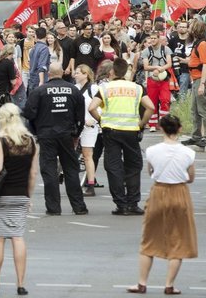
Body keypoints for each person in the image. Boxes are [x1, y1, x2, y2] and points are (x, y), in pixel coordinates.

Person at [126, 114, 198, 295]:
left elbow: (150, 170)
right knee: (179, 240)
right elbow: (190, 177)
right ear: (180, 129)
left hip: (159, 191)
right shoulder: (188, 153)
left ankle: (142, 283)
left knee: (149, 238)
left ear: (161, 128)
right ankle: (169, 285)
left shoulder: (152, 150)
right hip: (179, 192)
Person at [0, 103, 37, 296]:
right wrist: (28, 196)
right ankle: (20, 284)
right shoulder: (30, 141)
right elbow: (33, 173)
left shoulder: (0, 141)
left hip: (1, 194)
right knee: (17, 236)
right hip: (20, 193)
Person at [89, 58, 155, 216]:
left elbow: (92, 107)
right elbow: (151, 107)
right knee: (133, 166)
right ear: (126, 72)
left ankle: (121, 204)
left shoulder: (105, 88)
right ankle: (133, 203)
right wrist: (142, 123)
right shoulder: (137, 88)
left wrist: (101, 120)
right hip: (131, 130)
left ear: (112, 72)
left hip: (110, 130)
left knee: (113, 167)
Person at [24, 64, 88, 216]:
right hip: (67, 135)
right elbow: (80, 117)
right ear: (62, 73)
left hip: (46, 134)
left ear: (48, 74)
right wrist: (76, 134)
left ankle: (53, 208)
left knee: (49, 171)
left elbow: (28, 113)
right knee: (71, 170)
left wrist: (36, 130)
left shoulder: (39, 91)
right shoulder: (73, 90)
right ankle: (79, 207)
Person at [73, 65, 102, 197]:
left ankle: (90, 184)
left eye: (78, 73)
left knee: (87, 155)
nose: (75, 75)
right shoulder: (74, 88)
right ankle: (72, 182)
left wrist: (95, 120)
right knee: (71, 155)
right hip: (76, 125)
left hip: (89, 126)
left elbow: (101, 107)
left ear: (86, 74)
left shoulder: (94, 88)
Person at [186, 20, 206, 149]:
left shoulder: (203, 44)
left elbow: (205, 64)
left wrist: (202, 84)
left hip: (201, 80)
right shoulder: (198, 43)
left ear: (196, 29)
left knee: (204, 110)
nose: (189, 29)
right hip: (195, 80)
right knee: (195, 110)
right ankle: (196, 136)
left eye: (191, 27)